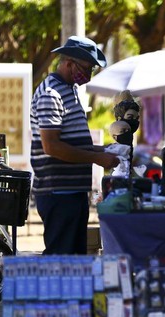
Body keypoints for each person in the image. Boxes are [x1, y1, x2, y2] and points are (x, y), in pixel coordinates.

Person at [30, 36, 119, 255]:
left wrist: (104, 150)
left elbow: (72, 141)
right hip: (59, 193)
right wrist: (97, 158)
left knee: (73, 259)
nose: (88, 75)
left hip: (73, 192)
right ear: (68, 63)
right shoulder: (51, 94)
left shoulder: (69, 90)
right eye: (87, 68)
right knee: (62, 258)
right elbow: (52, 146)